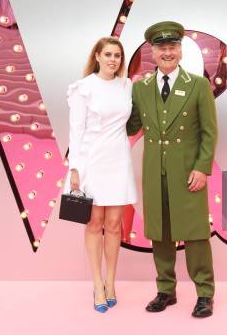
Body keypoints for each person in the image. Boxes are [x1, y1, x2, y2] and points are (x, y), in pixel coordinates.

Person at [126, 21, 218, 318]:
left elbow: (209, 131)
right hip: (154, 172)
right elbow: (132, 125)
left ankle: (204, 293)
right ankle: (166, 290)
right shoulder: (140, 88)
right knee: (160, 233)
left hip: (187, 172)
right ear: (152, 52)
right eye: (162, 48)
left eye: (173, 47)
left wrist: (202, 168)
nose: (167, 52)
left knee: (195, 234)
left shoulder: (198, 85)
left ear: (180, 50)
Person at [64, 36, 136, 313]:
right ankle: (96, 284)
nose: (113, 60)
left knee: (115, 225)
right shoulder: (83, 88)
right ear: (97, 56)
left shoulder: (127, 85)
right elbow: (76, 131)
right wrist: (75, 169)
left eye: (117, 55)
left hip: (118, 160)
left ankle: (110, 281)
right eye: (107, 54)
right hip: (92, 161)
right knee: (94, 223)